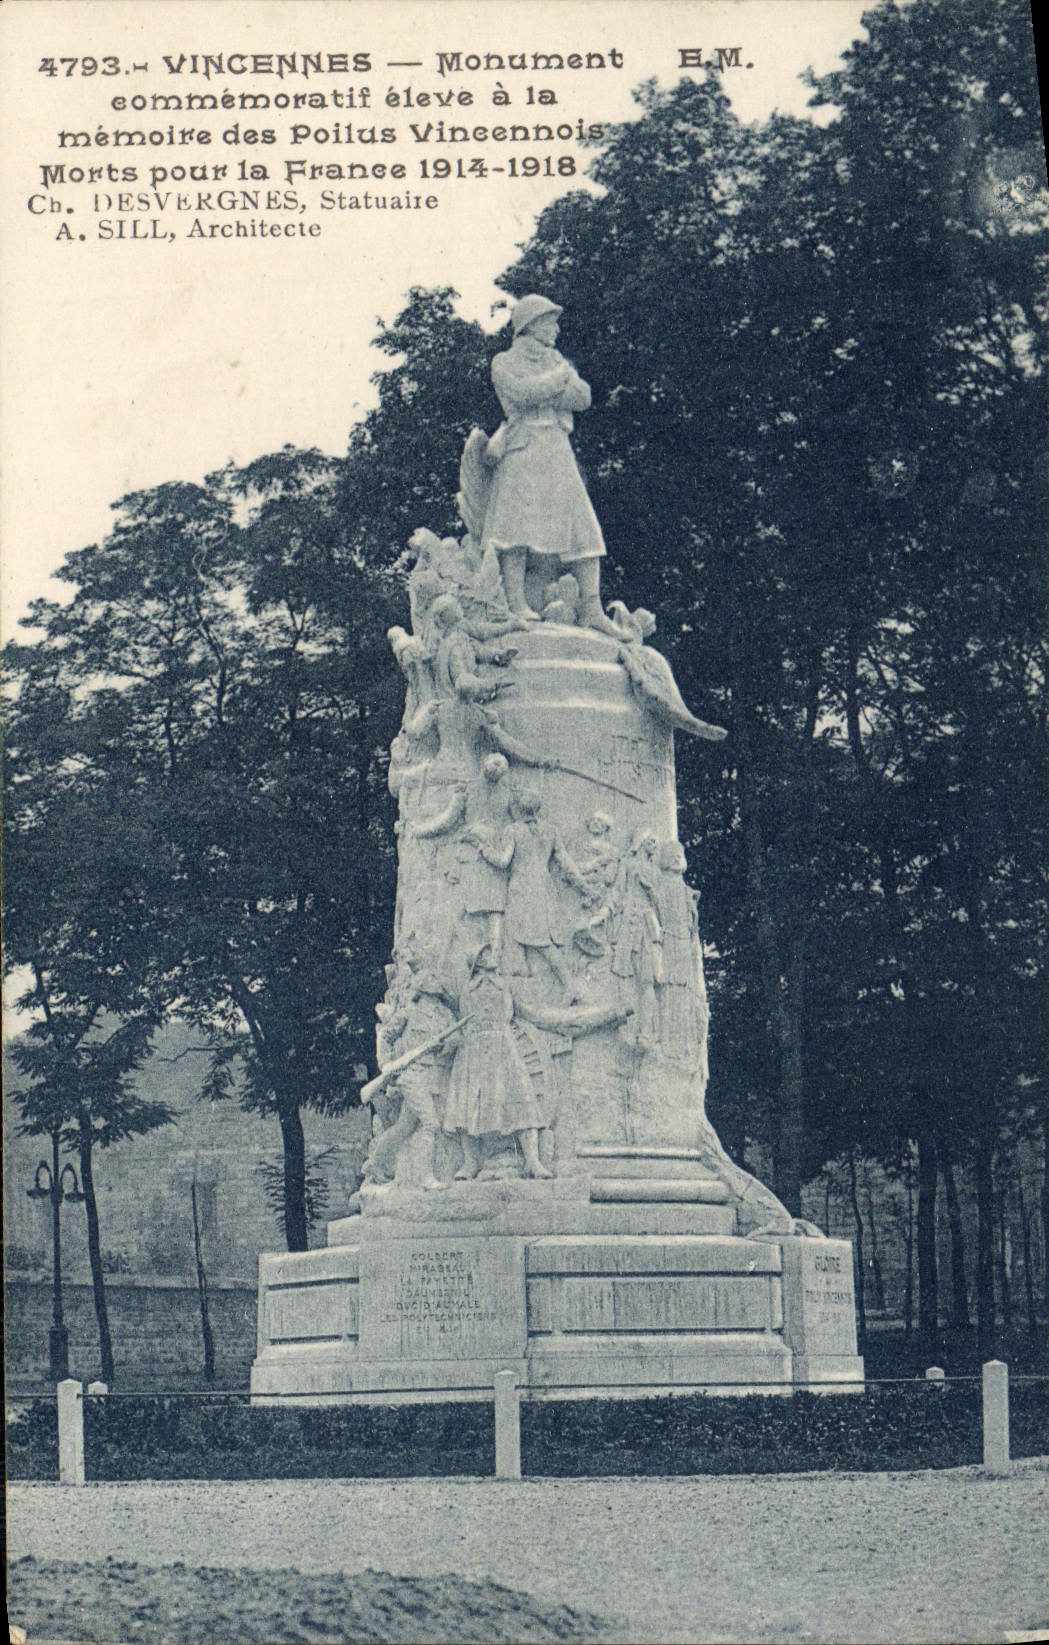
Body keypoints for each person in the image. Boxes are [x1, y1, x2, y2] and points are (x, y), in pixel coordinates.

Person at [481, 294, 625, 637]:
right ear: (532, 324)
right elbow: (519, 394)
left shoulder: (556, 359)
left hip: (556, 448)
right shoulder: (504, 361)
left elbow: (583, 397)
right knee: (515, 529)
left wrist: (551, 382)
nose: (557, 330)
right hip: (523, 446)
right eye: (551, 322)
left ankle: (591, 607)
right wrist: (559, 379)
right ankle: (515, 602)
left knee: (583, 526)